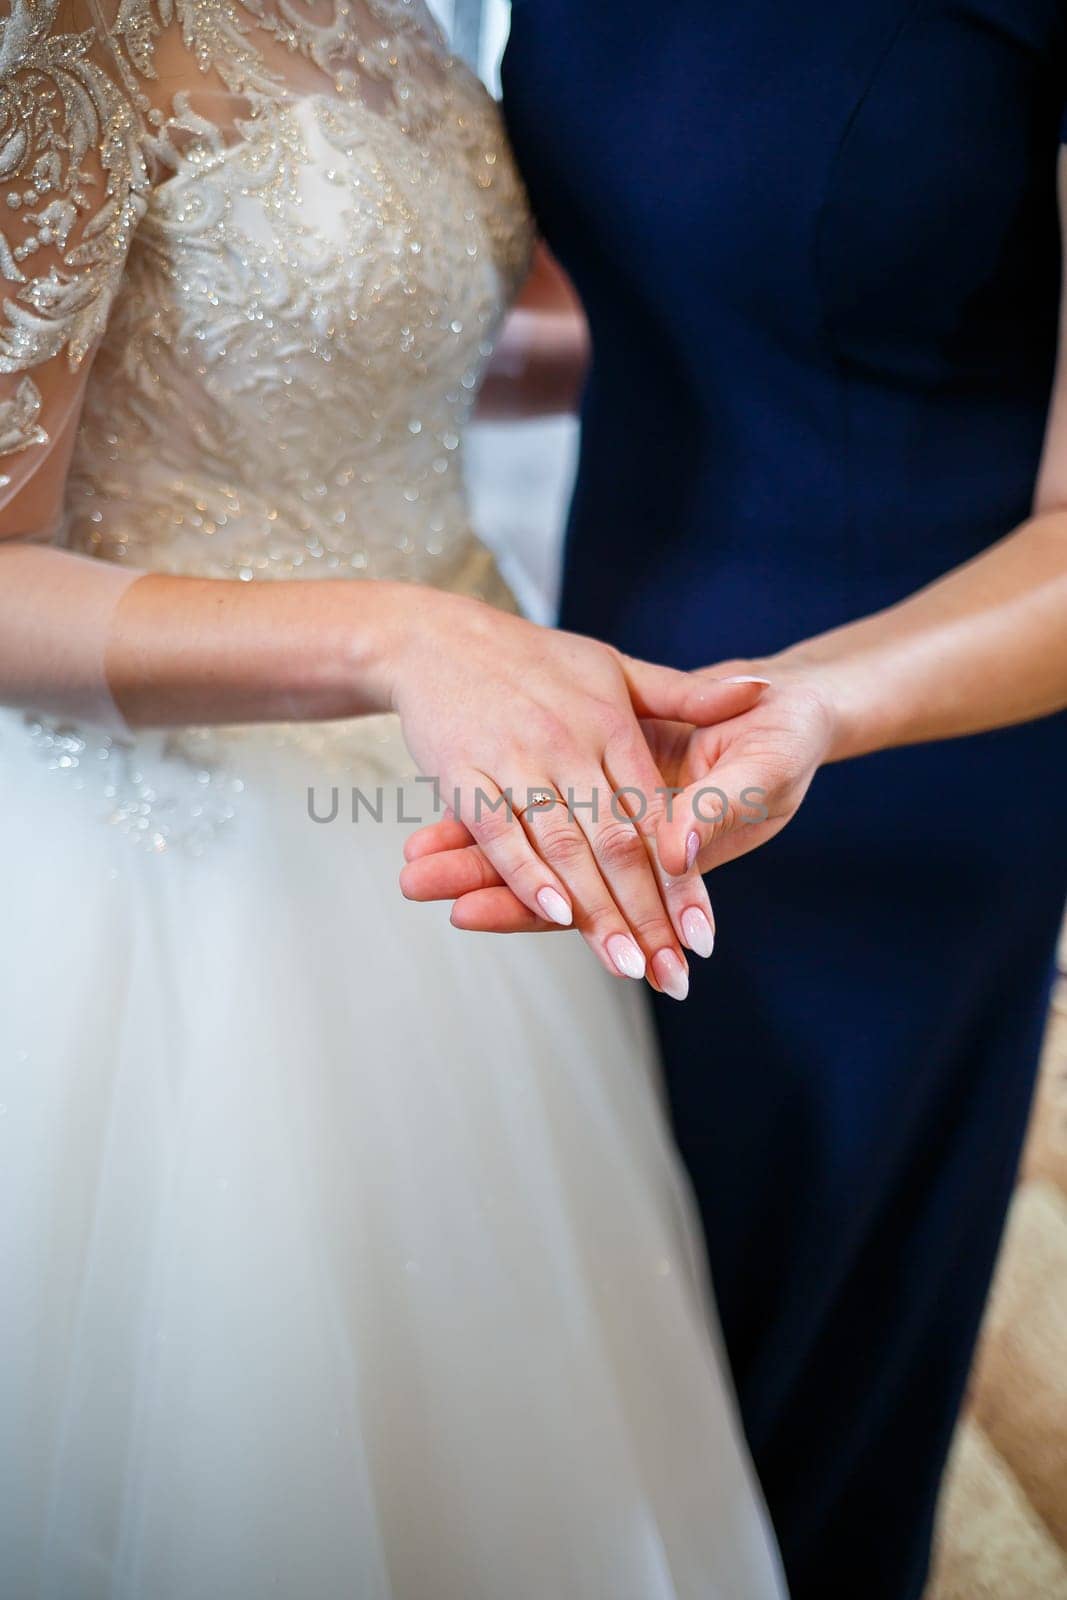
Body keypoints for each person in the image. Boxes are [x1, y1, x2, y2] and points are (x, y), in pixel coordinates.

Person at [0, 1, 788, 1594]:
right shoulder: (67, 27)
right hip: (199, 845)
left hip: (459, 784)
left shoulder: (412, 19)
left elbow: (364, 342)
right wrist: (398, 636)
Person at [406, 4, 1067, 1596]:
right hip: (592, 690)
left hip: (894, 745)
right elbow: (689, 295)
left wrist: (822, 707)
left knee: (781, 1392)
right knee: (551, 1354)